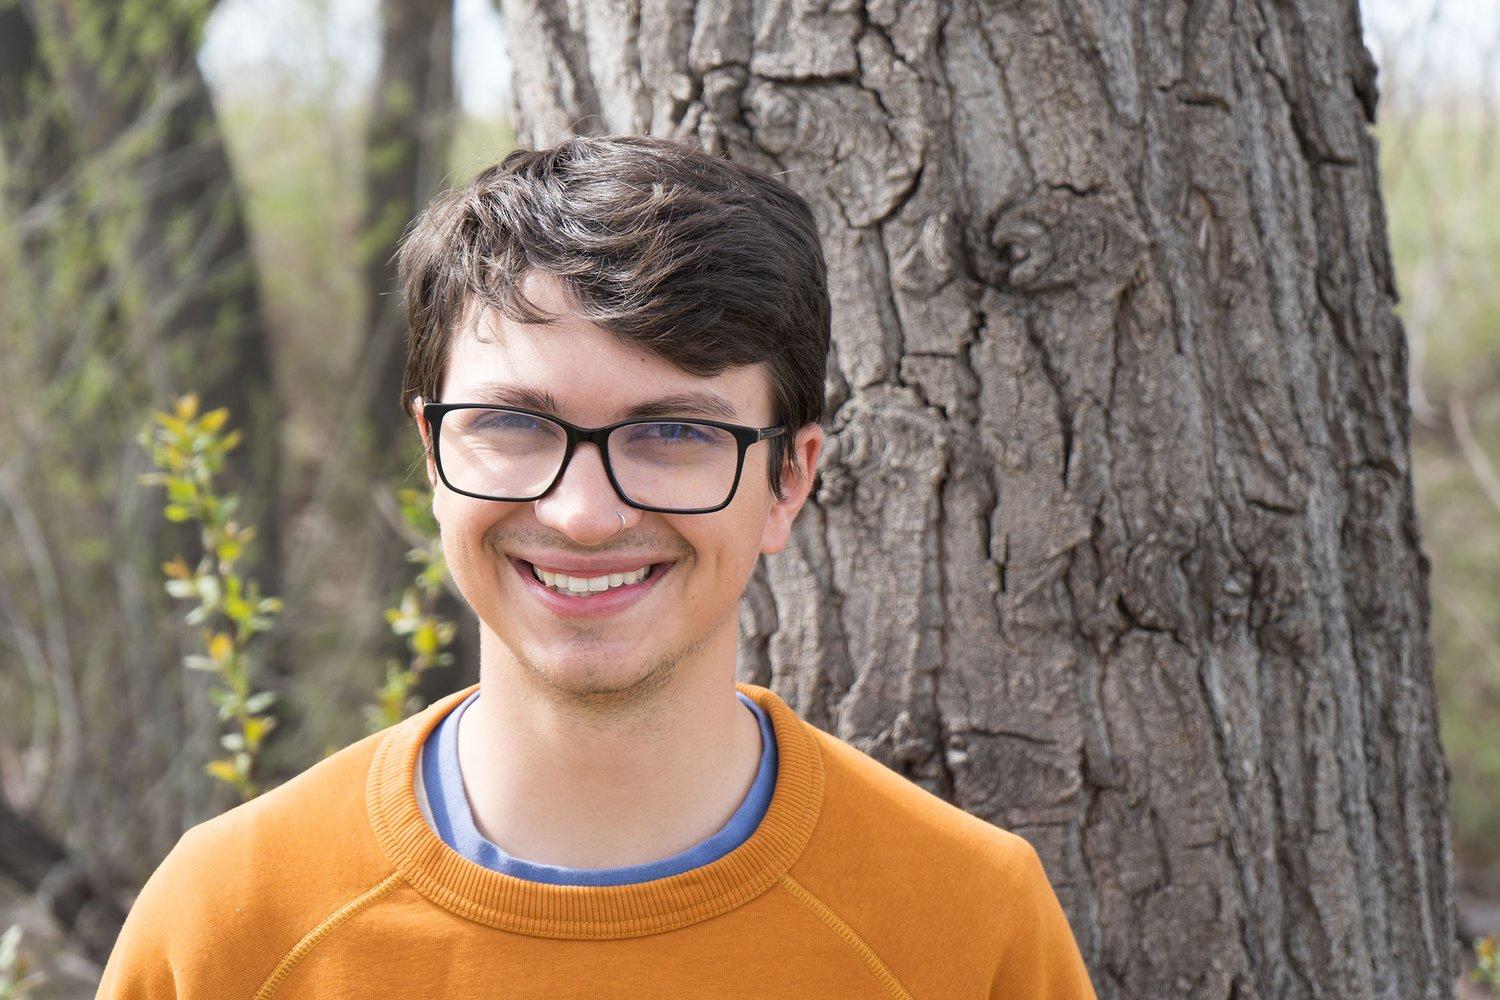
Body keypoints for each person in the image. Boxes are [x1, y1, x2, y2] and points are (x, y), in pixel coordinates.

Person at [96, 133, 1097, 998]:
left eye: (670, 432)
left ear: (788, 481)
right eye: (514, 425)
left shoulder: (967, 926)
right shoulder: (229, 926)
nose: (583, 513)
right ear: (431, 456)